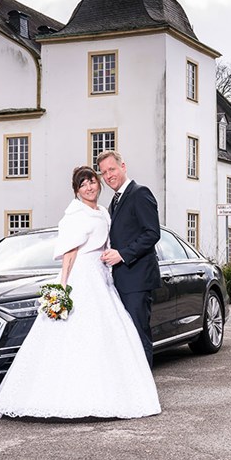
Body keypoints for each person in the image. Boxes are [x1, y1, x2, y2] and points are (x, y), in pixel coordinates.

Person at [0, 166, 160, 419]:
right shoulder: (74, 214)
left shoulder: (104, 210)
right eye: (83, 185)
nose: (90, 187)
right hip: (81, 275)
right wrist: (63, 286)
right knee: (71, 333)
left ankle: (110, 391)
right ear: (76, 190)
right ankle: (65, 395)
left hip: (102, 276)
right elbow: (70, 253)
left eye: (92, 181)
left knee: (107, 333)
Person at [97, 151, 160, 367]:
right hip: (121, 280)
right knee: (126, 337)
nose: (108, 176)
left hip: (137, 280)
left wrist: (123, 254)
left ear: (123, 166)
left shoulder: (140, 193)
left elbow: (152, 233)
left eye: (112, 169)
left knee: (138, 334)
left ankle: (145, 393)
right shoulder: (114, 202)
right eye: (104, 173)